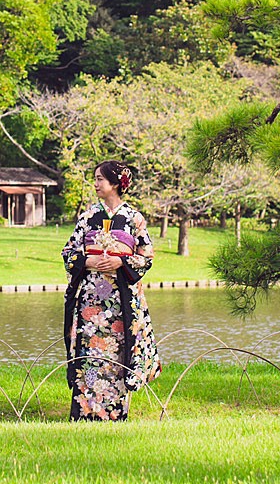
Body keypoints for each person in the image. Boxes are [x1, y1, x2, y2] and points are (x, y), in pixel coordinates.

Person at [61, 160, 161, 420]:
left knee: (118, 351)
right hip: (91, 298)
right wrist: (88, 261)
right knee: (89, 351)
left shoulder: (133, 219)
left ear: (115, 183)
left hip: (120, 299)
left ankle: (116, 412)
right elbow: (68, 252)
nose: (95, 184)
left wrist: (121, 261)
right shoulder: (87, 217)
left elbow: (146, 256)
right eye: (94, 179)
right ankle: (85, 412)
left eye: (99, 180)